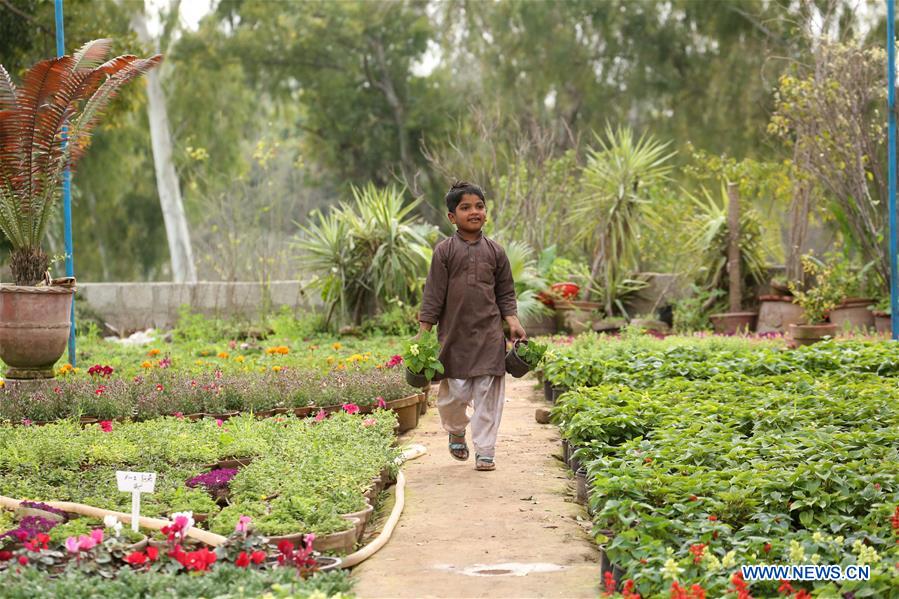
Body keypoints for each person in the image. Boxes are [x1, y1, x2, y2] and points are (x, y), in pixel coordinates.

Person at [417, 181, 527, 471]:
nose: (474, 212)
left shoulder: (496, 252)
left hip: (489, 337)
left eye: (479, 206)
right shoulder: (444, 252)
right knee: (453, 397)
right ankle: (455, 429)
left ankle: (485, 450)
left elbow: (505, 292)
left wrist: (512, 321)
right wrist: (423, 333)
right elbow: (433, 294)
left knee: (489, 397)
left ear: (486, 213)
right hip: (453, 339)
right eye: (465, 207)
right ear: (452, 217)